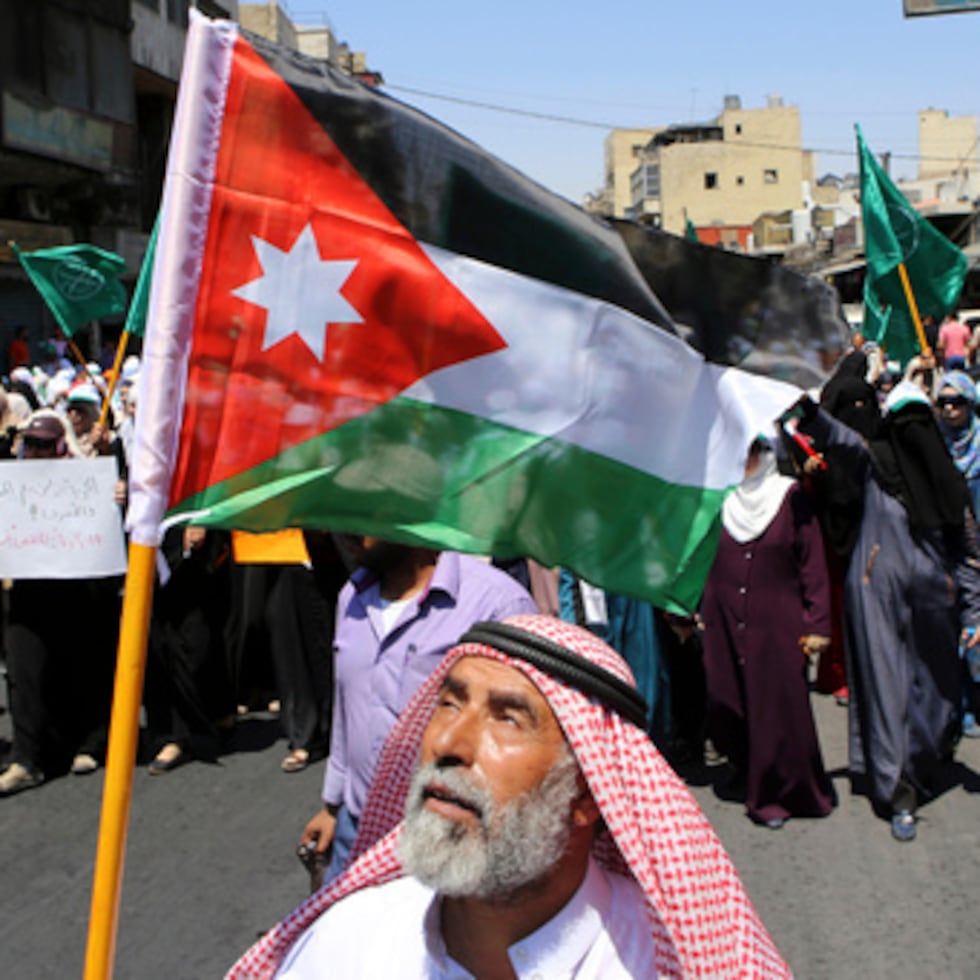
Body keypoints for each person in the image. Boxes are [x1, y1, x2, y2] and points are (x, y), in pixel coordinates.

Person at [229, 615, 789, 978]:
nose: (447, 743)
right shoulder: (348, 946)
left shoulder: (667, 963)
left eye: (508, 720)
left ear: (589, 793)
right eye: (448, 704)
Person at [793, 382, 980, 842]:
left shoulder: (947, 480)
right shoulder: (873, 460)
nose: (910, 432)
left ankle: (923, 761)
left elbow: (968, 551)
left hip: (936, 601)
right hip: (876, 593)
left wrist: (974, 612)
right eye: (904, 421)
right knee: (887, 688)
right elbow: (834, 434)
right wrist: (802, 405)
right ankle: (896, 787)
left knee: (936, 694)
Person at [298, 539, 537, 884]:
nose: (344, 530)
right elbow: (347, 707)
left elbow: (520, 730)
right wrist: (332, 806)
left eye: (363, 507)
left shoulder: (496, 602)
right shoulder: (352, 596)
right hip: (357, 832)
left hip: (450, 840)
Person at [700, 438, 834, 829]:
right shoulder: (719, 497)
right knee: (725, 699)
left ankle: (776, 795)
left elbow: (813, 562)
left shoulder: (788, 497)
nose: (745, 462)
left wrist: (818, 624)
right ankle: (745, 766)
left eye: (753, 453)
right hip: (721, 616)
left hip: (778, 620)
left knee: (774, 709)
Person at [0, 412, 122, 793]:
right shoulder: (11, 483)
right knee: (24, 674)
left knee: (81, 667)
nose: (35, 452)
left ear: (59, 445)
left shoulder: (84, 478)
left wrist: (117, 491)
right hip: (25, 588)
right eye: (29, 444)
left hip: (77, 588)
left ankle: (89, 742)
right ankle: (26, 758)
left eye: (42, 444)